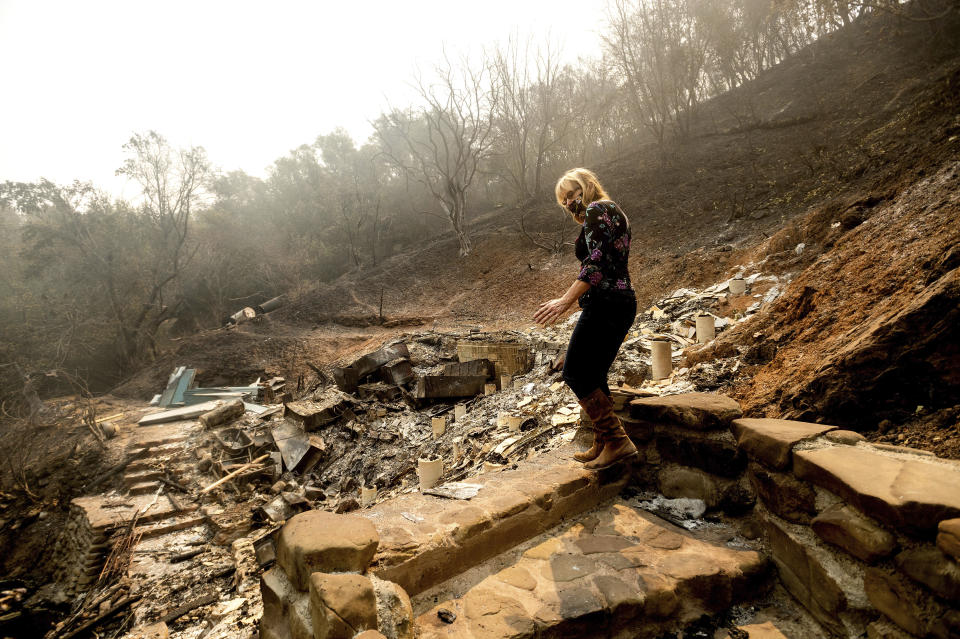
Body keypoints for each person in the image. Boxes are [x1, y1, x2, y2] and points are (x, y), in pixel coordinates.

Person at [533, 168, 639, 470]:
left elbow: (595, 264)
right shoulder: (613, 211)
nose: (568, 202)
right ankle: (605, 441)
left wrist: (564, 301)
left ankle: (617, 441)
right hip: (620, 301)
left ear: (586, 186)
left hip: (606, 303)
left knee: (576, 372)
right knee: (594, 375)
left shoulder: (596, 208)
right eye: (563, 200)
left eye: (571, 193)